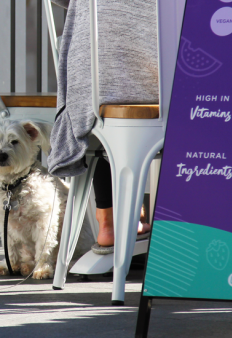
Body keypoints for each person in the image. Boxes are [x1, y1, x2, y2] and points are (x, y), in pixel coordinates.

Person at [47, 0, 158, 253]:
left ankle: (106, 219)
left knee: (97, 112)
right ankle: (151, 216)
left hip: (92, 82)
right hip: (158, 77)